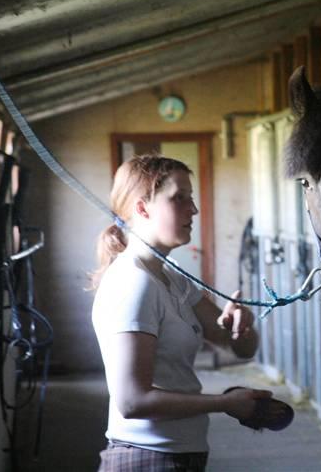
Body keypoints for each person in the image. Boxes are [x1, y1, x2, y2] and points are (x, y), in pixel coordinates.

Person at [91, 154, 288, 472]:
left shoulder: (173, 278)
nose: (193, 209)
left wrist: (243, 328)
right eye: (178, 198)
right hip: (146, 458)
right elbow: (132, 401)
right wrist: (225, 403)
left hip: (178, 455)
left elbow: (238, 348)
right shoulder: (133, 284)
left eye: (191, 198)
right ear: (143, 208)